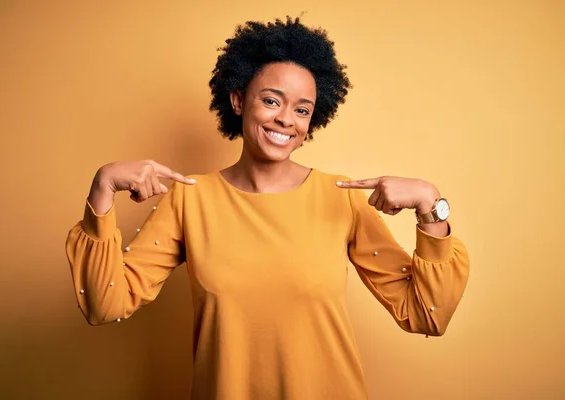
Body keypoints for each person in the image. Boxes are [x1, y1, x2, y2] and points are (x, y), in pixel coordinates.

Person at [65, 16, 470, 400]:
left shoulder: (341, 198)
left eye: (302, 109)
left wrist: (431, 205)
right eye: (272, 100)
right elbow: (105, 304)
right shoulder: (190, 199)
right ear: (239, 100)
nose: (286, 120)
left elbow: (425, 315)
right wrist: (102, 188)